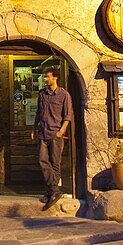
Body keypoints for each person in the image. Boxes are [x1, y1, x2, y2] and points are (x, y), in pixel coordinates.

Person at [31, 67, 73, 209]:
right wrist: (34, 128)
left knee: (55, 163)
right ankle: (54, 190)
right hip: (43, 132)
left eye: (47, 76)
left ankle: (50, 192)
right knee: (43, 161)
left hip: (55, 133)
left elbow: (68, 115)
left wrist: (61, 131)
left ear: (55, 78)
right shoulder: (42, 94)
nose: (45, 79)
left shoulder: (64, 95)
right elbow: (38, 112)